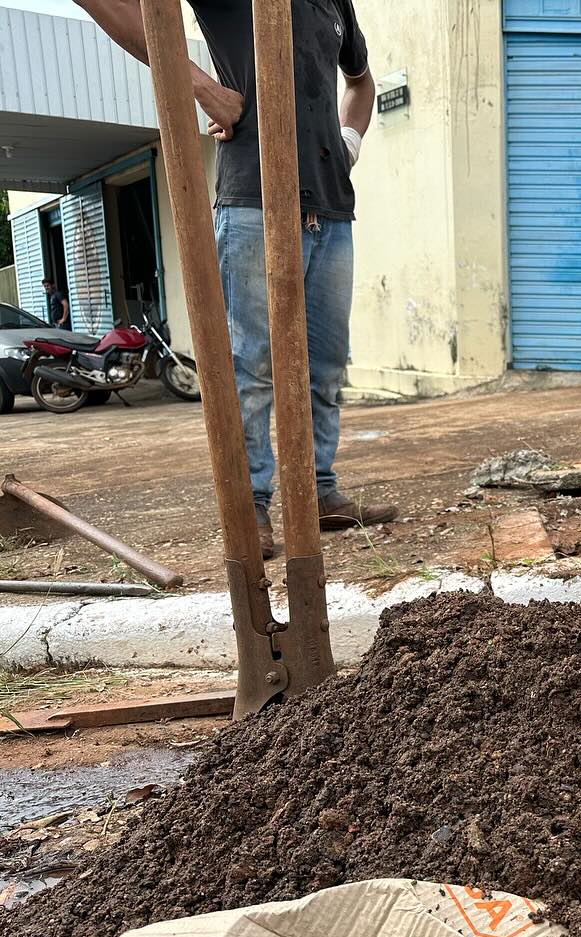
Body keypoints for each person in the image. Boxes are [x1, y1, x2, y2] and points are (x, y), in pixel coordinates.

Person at [78, 0, 397, 560]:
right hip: (253, 200)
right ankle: (252, 505)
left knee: (325, 367)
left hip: (331, 209)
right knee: (252, 365)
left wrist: (349, 141)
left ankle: (320, 492)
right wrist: (204, 88)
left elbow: (360, 81)